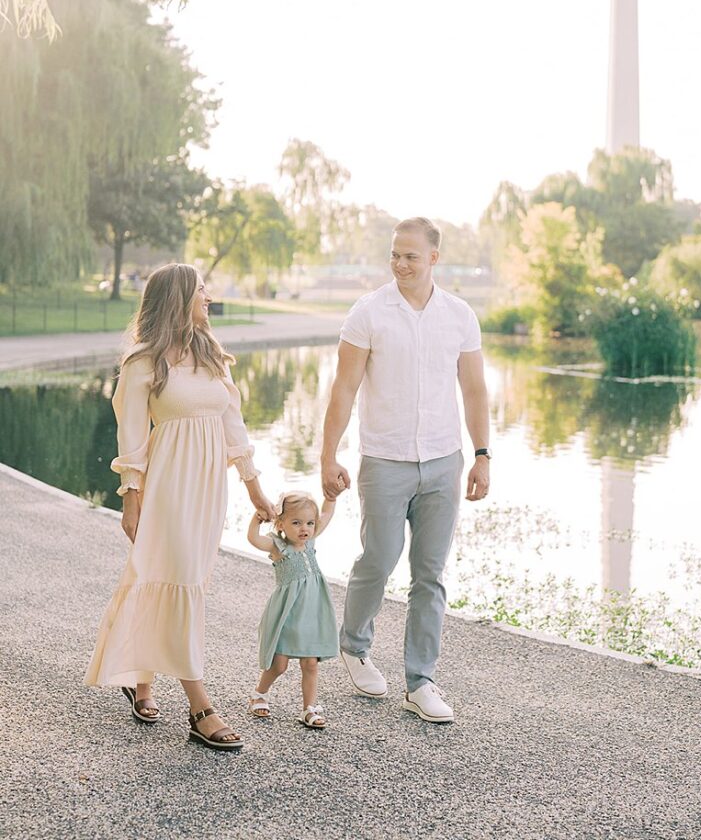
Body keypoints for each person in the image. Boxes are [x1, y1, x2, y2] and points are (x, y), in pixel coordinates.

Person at [84, 262, 275, 751]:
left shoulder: (212, 354)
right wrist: (131, 498)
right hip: (168, 483)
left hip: (209, 486)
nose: (209, 298)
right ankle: (199, 705)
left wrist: (254, 488)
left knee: (167, 577)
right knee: (176, 578)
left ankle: (137, 675)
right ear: (179, 298)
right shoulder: (142, 363)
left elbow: (234, 425)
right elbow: (131, 435)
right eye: (202, 291)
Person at [321, 217, 491, 724]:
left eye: (411, 256)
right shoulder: (369, 312)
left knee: (430, 574)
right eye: (395, 254)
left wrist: (483, 455)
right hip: (384, 459)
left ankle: (421, 681)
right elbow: (343, 389)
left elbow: (475, 391)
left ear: (434, 258)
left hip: (443, 461)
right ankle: (354, 644)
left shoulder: (460, 316)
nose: (401, 264)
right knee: (379, 557)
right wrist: (328, 456)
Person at [246, 491, 339, 729]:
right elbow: (254, 539)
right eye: (296, 523)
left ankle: (309, 708)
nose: (304, 529)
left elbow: (326, 515)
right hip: (288, 614)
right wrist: (258, 518)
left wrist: (332, 497)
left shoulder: (310, 542)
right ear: (281, 524)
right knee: (280, 664)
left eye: (309, 523)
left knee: (310, 663)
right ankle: (260, 694)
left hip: (312, 613)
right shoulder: (279, 546)